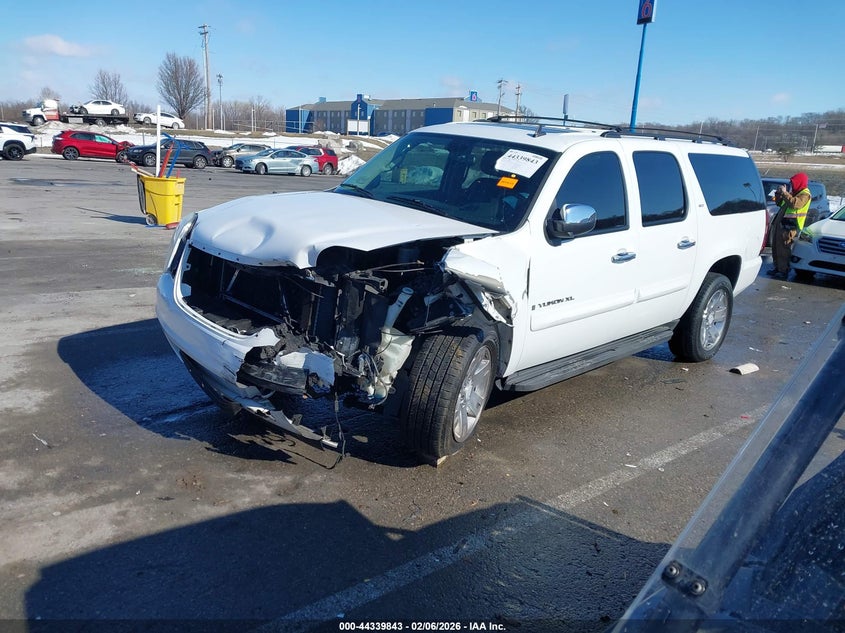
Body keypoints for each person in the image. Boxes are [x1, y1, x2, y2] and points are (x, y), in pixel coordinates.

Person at [768, 172, 811, 280]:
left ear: (799, 182)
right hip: (782, 223)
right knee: (776, 247)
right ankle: (777, 268)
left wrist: (785, 193)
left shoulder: (805, 194)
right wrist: (779, 194)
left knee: (784, 249)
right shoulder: (794, 192)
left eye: (793, 182)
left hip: (791, 226)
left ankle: (783, 271)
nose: (792, 184)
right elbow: (780, 204)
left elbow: (795, 204)